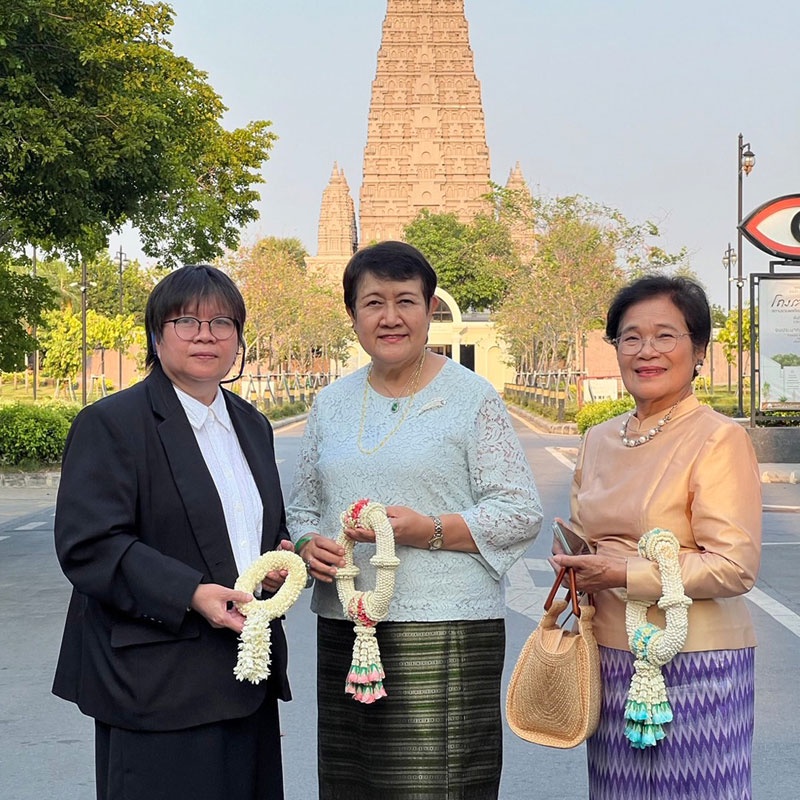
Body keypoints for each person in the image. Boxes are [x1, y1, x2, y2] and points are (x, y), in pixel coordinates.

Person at [286, 240, 543, 800]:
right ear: (353, 316)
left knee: (439, 783)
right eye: (373, 302)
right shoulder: (330, 403)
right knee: (351, 783)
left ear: (430, 312)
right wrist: (309, 544)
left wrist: (427, 529)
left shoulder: (472, 398)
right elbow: (304, 507)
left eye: (406, 301)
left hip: (446, 630)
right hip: (348, 628)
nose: (390, 317)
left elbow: (520, 511)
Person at [52, 265, 294, 800]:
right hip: (155, 681)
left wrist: (275, 563)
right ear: (156, 335)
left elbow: (259, 528)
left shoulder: (251, 424)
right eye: (187, 321)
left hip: (244, 672)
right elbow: (90, 545)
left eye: (222, 322)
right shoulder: (112, 423)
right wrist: (189, 593)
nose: (206, 335)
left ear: (239, 339)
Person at [552, 275, 762, 800]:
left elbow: (734, 566)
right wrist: (575, 560)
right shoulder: (599, 438)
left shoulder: (718, 438)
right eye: (630, 337)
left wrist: (622, 573)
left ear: (698, 351)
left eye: (665, 336)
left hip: (697, 665)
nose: (646, 351)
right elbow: (584, 530)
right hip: (607, 658)